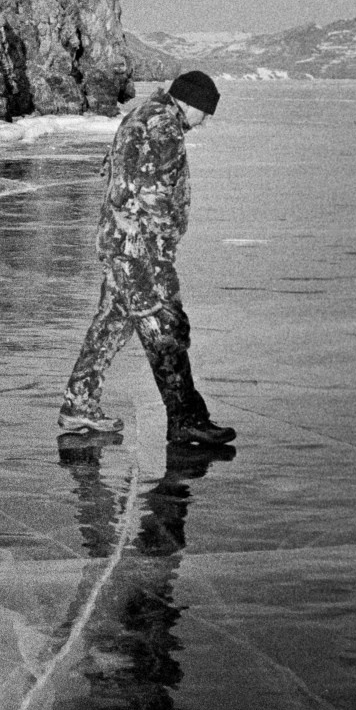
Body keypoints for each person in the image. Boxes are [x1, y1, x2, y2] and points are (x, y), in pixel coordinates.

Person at [58, 70, 236, 447]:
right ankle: (186, 419)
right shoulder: (163, 126)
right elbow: (154, 195)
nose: (206, 120)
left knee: (112, 323)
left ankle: (79, 403)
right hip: (139, 249)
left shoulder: (139, 116)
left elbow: (113, 174)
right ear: (188, 102)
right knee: (164, 327)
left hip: (118, 241)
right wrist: (160, 256)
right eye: (205, 111)